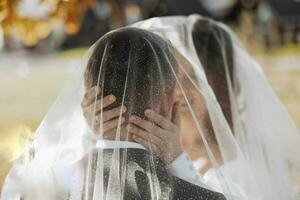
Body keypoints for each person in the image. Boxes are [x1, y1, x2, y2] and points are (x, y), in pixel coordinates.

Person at [1, 27, 227, 199]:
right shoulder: (202, 197)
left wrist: (90, 137)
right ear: (168, 102)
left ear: (89, 97)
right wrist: (177, 161)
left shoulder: (38, 190)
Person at [131, 15, 300, 199]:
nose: (181, 90)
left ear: (215, 83)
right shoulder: (144, 150)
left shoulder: (236, 164)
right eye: (171, 78)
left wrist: (177, 162)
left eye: (193, 78)